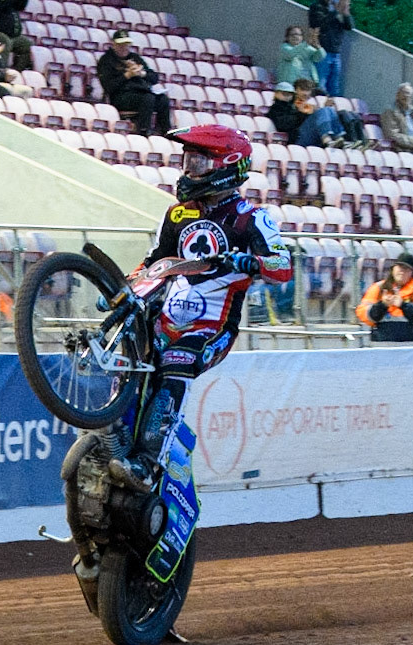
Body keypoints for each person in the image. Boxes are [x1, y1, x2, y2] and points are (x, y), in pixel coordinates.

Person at [107, 125, 293, 492]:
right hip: (164, 318)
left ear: (226, 166)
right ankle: (107, 438)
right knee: (126, 356)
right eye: (187, 160)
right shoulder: (176, 215)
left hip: (212, 327)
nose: (189, 170)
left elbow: (283, 267)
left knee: (177, 365)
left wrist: (251, 263)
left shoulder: (252, 218)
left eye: (198, 161)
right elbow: (151, 264)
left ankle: (147, 463)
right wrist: (120, 292)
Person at [96, 30, 172, 136]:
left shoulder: (135, 58)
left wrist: (142, 73)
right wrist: (127, 75)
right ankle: (143, 130)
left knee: (163, 99)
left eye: (127, 44)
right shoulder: (106, 61)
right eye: (121, 44)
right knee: (147, 98)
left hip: (140, 92)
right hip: (121, 96)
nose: (124, 47)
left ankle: (165, 131)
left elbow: (154, 78)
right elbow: (109, 86)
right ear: (114, 44)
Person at [355, 251, 413, 343]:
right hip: (382, 346)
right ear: (393, 269)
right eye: (400, 267)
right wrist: (382, 305)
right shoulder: (378, 287)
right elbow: (364, 316)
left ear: (412, 272)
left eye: (407, 269)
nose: (402, 271)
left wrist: (403, 305)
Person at [267, 78, 368, 149]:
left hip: (308, 134)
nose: (287, 96)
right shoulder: (275, 109)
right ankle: (327, 139)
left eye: (289, 94)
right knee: (324, 111)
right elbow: (284, 125)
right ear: (276, 93)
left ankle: (343, 139)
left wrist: (303, 112)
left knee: (333, 111)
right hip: (297, 139)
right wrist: (300, 113)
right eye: (284, 93)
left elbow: (308, 114)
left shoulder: (297, 105)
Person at [307, 0, 352, 98]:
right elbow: (319, 24)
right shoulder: (317, 6)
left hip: (336, 52)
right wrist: (335, 12)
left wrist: (345, 12)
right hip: (322, 51)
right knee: (320, 85)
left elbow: (349, 26)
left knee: (334, 87)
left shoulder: (338, 8)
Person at [380, 82, 413, 152]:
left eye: (409, 93)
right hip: (401, 148)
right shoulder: (390, 111)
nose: (406, 96)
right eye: (404, 93)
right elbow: (392, 134)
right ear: (397, 95)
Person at [275, 24, 324, 91]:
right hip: (290, 85)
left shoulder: (307, 48)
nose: (295, 36)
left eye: (298, 34)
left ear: (302, 37)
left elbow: (318, 58)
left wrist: (317, 46)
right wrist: (306, 44)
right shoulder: (284, 47)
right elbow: (290, 54)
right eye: (293, 34)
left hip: (306, 84)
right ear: (287, 37)